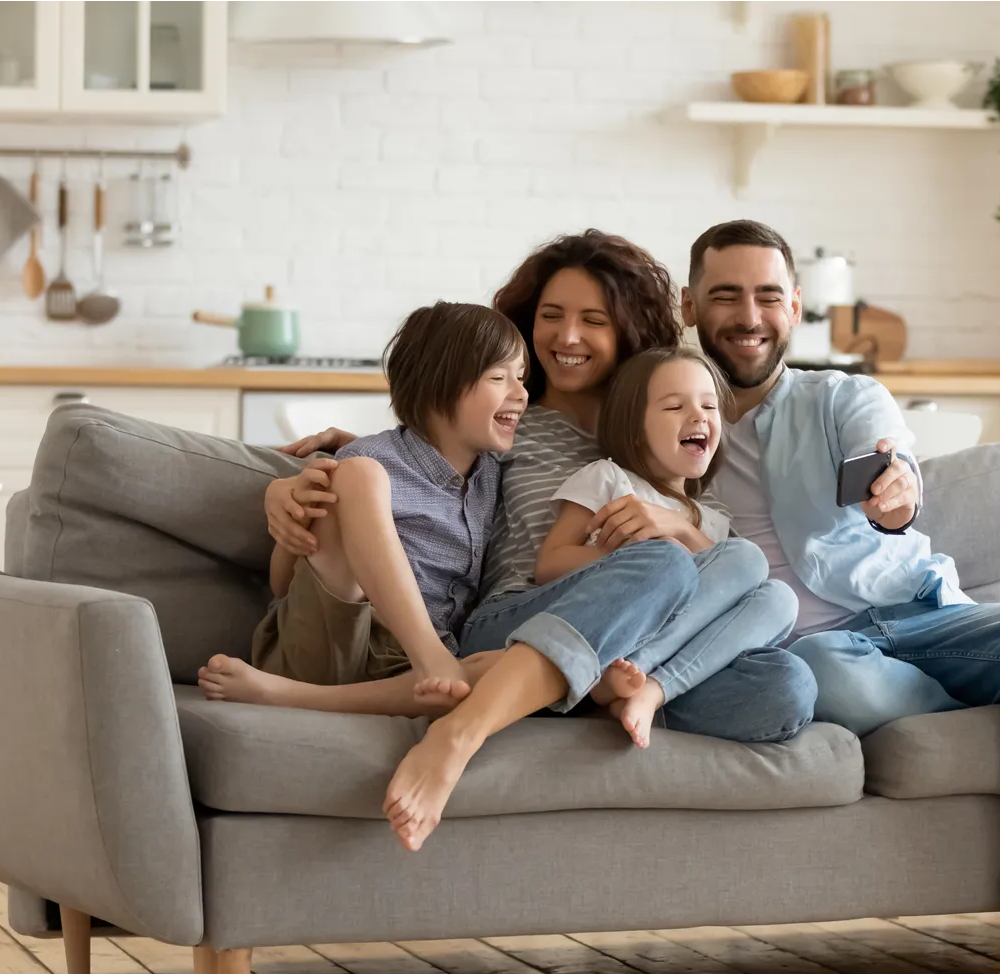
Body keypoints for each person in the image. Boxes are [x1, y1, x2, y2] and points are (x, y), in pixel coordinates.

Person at [681, 219, 1000, 974]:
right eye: (727, 295)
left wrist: (896, 493)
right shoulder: (668, 413)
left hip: (917, 617)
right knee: (823, 673)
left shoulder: (839, 396)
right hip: (812, 652)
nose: (749, 315)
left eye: (768, 295)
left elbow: (892, 467)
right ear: (689, 302)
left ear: (795, 305)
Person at [271, 230, 817, 852]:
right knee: (660, 566)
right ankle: (467, 730)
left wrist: (677, 524)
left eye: (594, 320)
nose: (567, 337)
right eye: (550, 318)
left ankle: (600, 688)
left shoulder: (665, 441)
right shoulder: (512, 422)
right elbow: (421, 450)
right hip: (515, 621)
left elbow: (727, 575)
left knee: (786, 688)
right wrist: (296, 481)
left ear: (629, 331)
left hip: (636, 650)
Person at [198, 299, 527, 719]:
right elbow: (282, 584)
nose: (521, 393)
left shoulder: (494, 478)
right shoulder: (364, 462)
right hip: (326, 641)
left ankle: (285, 696)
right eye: (500, 377)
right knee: (359, 475)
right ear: (436, 386)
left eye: (521, 377)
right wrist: (296, 515)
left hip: (408, 674)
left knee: (512, 666)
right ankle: (426, 655)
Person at [538, 346, 797, 748]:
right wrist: (629, 558)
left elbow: (736, 597)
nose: (698, 416)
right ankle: (618, 678)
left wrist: (681, 528)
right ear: (635, 426)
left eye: (709, 406)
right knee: (746, 560)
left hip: (677, 658)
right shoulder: (608, 479)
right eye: (675, 406)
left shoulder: (715, 520)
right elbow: (549, 566)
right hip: (616, 631)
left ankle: (649, 690)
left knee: (779, 597)